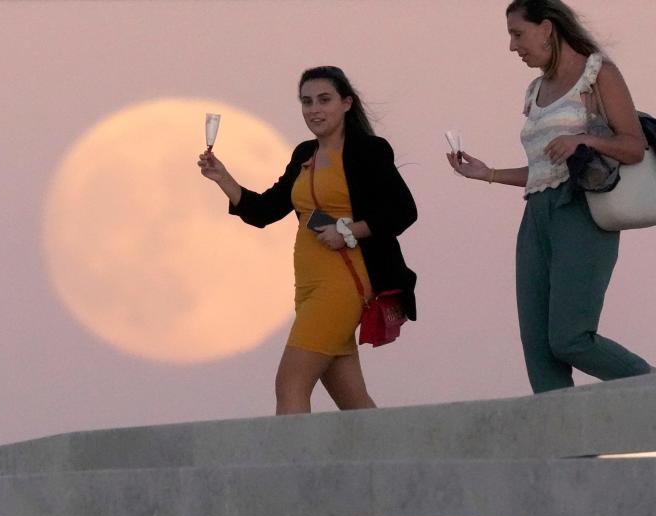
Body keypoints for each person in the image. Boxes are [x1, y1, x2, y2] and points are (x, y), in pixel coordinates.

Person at [447, 0, 651, 393]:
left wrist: (584, 139)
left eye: (517, 34)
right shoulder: (535, 89)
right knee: (539, 352)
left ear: (547, 28)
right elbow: (543, 170)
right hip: (536, 216)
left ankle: (648, 389)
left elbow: (634, 147)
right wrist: (486, 173)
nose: (512, 46)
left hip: (581, 212)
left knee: (570, 338)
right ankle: (567, 456)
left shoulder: (597, 73)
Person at [198, 66, 417, 415]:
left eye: (324, 100)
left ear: (346, 103)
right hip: (308, 286)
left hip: (345, 282)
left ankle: (293, 470)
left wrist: (348, 230)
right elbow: (265, 210)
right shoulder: (304, 153)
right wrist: (223, 177)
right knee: (354, 402)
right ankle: (400, 467)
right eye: (306, 102)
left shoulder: (369, 150)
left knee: (290, 384)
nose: (314, 109)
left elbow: (403, 211)